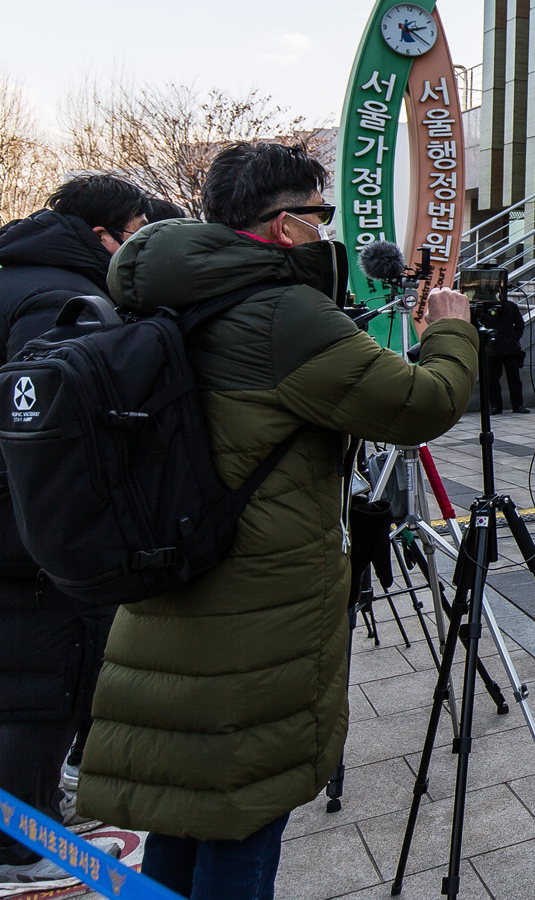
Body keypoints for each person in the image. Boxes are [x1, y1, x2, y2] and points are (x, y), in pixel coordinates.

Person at [74, 142, 477, 900]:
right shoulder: (279, 312)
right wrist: (451, 329)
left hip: (173, 584)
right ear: (287, 224)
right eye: (320, 217)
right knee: (244, 811)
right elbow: (419, 404)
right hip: (255, 610)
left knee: (183, 811)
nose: (328, 233)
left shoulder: (168, 293)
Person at [0, 173, 150, 885]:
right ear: (101, 232)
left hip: (25, 510)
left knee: (60, 665)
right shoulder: (51, 294)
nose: (137, 245)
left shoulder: (31, 276)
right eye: (133, 231)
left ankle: (37, 805)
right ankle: (17, 843)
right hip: (44, 519)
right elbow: (48, 423)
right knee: (43, 676)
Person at [473, 287, 529, 415]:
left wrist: (515, 336)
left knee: (514, 378)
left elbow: (520, 323)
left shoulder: (510, 306)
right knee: (492, 379)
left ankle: (518, 405)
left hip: (510, 348)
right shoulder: (485, 308)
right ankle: (495, 406)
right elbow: (476, 323)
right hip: (492, 349)